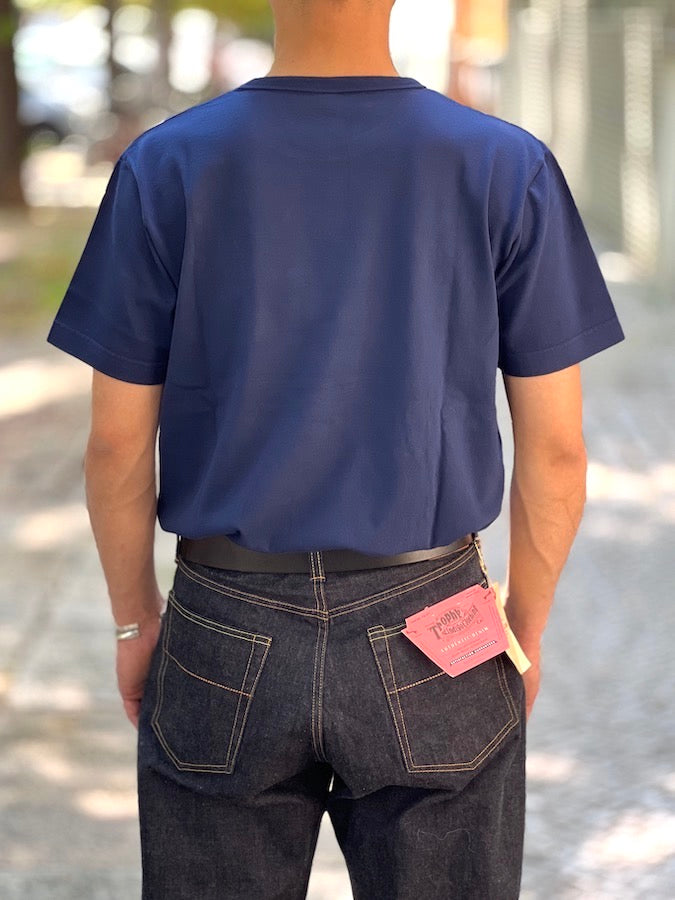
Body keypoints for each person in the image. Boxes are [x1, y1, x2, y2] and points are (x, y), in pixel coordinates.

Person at [46, 0, 625, 896]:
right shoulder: (506, 167)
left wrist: (136, 620)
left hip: (223, 615)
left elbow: (118, 444)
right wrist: (526, 629)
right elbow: (556, 454)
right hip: (439, 621)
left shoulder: (167, 165)